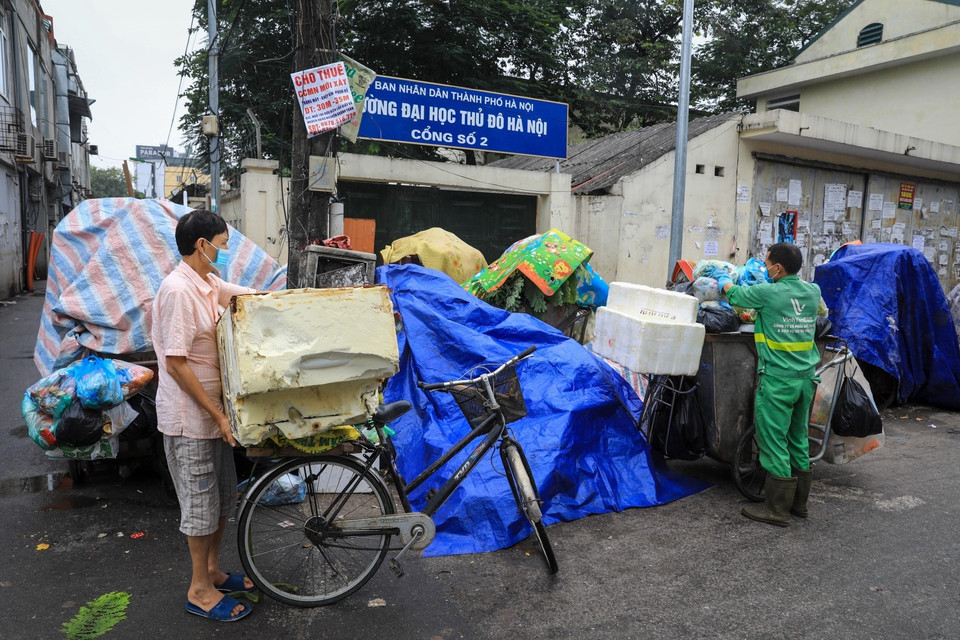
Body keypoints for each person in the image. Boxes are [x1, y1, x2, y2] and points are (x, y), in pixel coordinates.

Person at [151, 210, 257, 622]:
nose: (225, 252)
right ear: (203, 245)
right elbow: (176, 365)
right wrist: (219, 414)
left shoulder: (207, 283)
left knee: (221, 500)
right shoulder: (177, 291)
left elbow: (249, 296)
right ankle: (199, 590)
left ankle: (212, 571)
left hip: (214, 418)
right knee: (199, 507)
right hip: (190, 419)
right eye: (223, 244)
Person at [716, 243, 821, 527]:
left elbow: (737, 296)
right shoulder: (813, 291)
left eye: (767, 263)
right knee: (798, 439)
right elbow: (818, 312)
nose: (765, 267)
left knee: (772, 441)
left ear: (779, 267)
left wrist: (723, 280)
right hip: (806, 379)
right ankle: (799, 505)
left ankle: (776, 509)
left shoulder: (768, 292)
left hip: (778, 380)